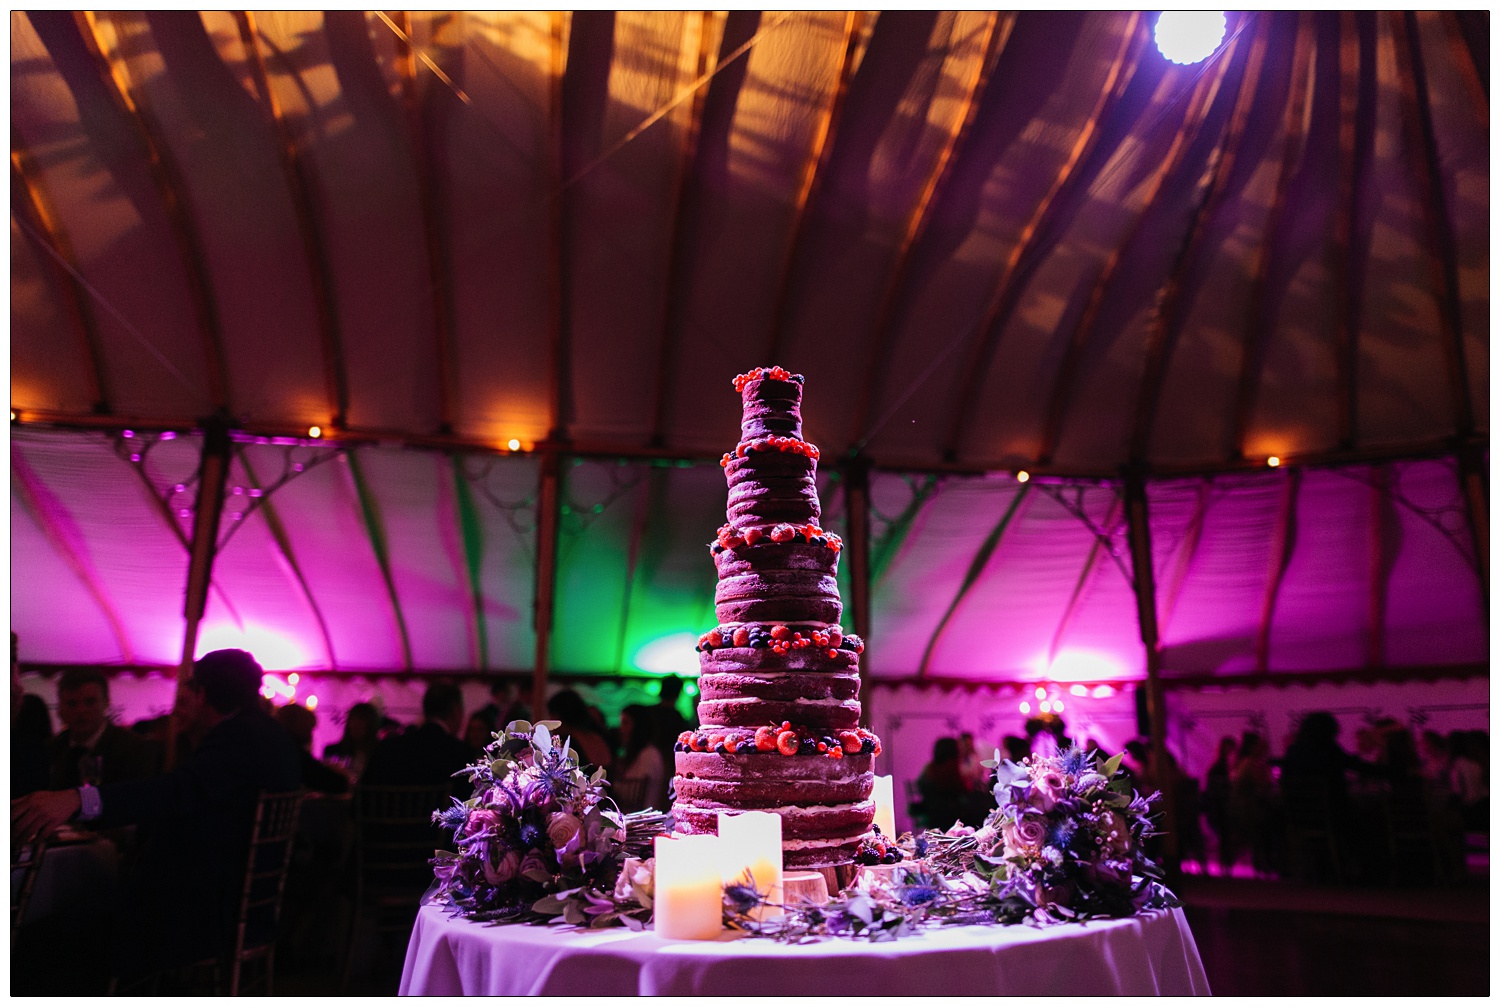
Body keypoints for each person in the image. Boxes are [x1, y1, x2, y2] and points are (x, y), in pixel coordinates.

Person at [11, 648, 302, 982]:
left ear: (202, 694)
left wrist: (78, 799)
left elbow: (177, 790)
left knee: (35, 937)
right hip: (242, 907)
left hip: (200, 917)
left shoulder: (237, 737)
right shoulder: (271, 734)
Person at [48, 668, 163, 790]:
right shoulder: (51, 749)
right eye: (72, 704)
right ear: (60, 708)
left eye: (90, 702)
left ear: (106, 703)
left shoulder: (134, 750)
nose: (81, 711)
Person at [361, 682, 474, 798]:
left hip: (387, 815)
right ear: (456, 711)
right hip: (437, 816)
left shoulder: (386, 748)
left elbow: (362, 795)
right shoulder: (460, 753)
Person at [274, 702, 350, 795]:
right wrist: (340, 772)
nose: (312, 735)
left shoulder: (275, 750)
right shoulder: (296, 755)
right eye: (310, 729)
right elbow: (338, 784)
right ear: (303, 729)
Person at [613, 705, 666, 813]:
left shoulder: (650, 755)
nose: (621, 729)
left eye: (625, 723)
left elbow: (640, 796)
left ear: (638, 725)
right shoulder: (629, 754)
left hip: (643, 823)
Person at [546, 689, 613, 771]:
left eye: (552, 715)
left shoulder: (568, 745)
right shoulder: (599, 737)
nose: (550, 720)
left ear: (560, 716)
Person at [914, 737, 969, 830]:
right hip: (948, 814)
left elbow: (920, 785)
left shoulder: (930, 767)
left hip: (931, 812)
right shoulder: (950, 767)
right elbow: (963, 788)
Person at [323, 701, 381, 784]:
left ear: (370, 726)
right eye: (353, 720)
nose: (356, 725)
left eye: (361, 721)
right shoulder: (333, 751)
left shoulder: (378, 753)